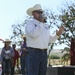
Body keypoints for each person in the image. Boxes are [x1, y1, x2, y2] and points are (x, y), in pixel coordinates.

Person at [25, 4, 64, 75]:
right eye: (38, 12)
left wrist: (57, 35)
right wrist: (41, 23)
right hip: (33, 53)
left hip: (44, 54)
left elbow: (50, 40)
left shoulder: (46, 26)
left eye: (41, 12)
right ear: (33, 13)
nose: (40, 14)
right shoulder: (30, 24)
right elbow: (34, 34)